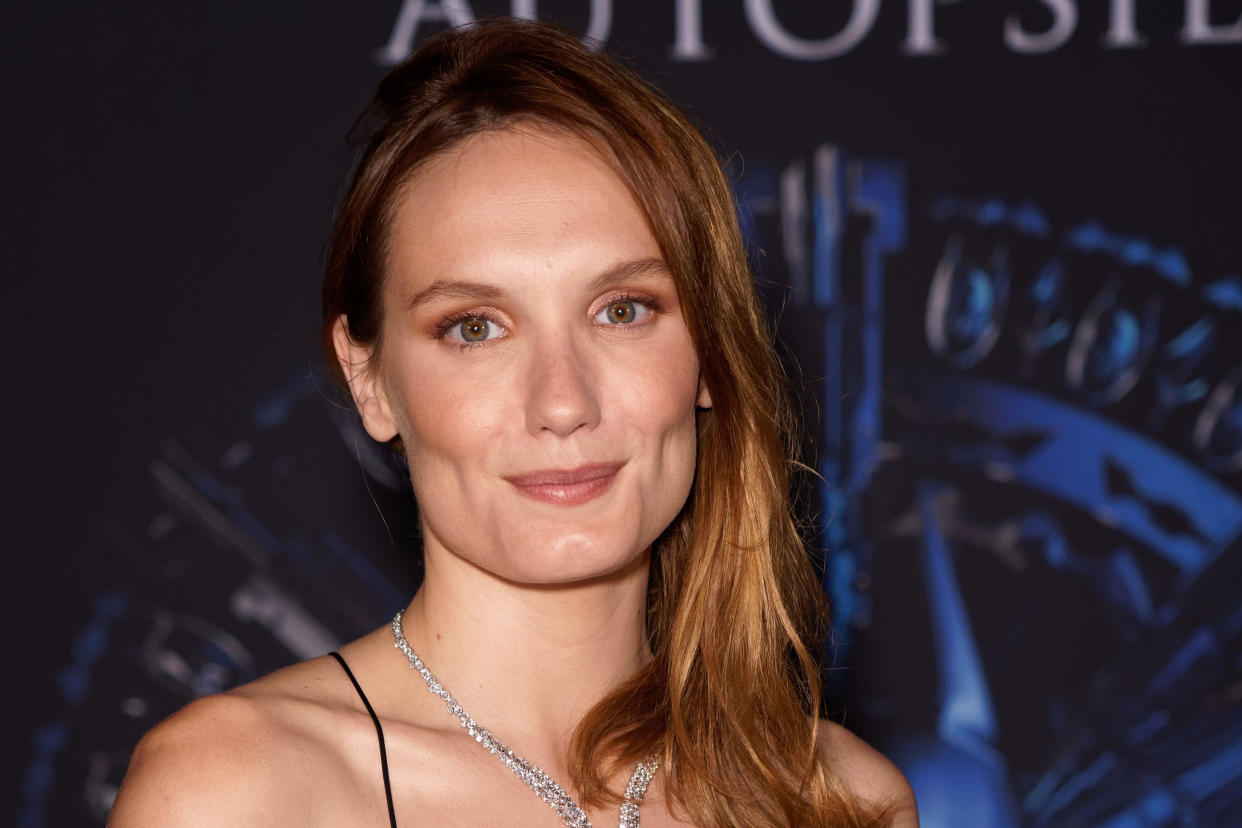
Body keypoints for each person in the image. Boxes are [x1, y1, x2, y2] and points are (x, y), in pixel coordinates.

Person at [109, 18, 917, 828]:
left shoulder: (838, 799)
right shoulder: (236, 791)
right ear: (371, 382)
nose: (563, 402)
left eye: (623, 310)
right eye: (474, 327)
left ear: (709, 351)